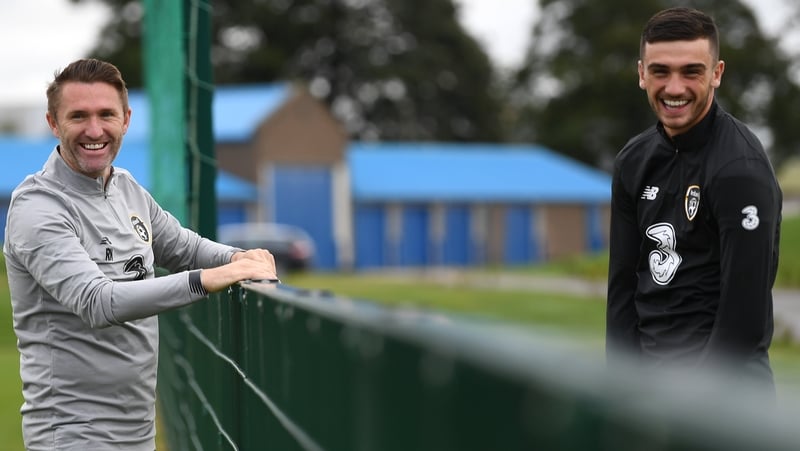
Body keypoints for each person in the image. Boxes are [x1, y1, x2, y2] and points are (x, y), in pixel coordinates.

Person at [4, 58, 278, 450]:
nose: (94, 130)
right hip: (73, 434)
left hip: (137, 431)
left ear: (126, 120)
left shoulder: (127, 188)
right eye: (78, 116)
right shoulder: (38, 208)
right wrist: (206, 280)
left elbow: (185, 247)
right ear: (53, 123)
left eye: (106, 115)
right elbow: (97, 302)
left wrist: (239, 259)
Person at [606, 8, 782, 389]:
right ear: (641, 73)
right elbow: (621, 292)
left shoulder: (740, 170)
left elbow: (742, 324)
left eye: (691, 72)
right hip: (650, 390)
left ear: (717, 73)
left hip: (724, 398)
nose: (674, 88)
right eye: (660, 71)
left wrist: (685, 405)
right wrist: (621, 388)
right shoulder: (632, 162)